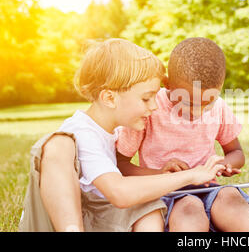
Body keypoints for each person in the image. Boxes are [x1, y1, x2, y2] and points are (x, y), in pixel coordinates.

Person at [18, 38, 226, 232]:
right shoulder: (81, 132)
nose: (154, 106)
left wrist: (162, 174)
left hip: (95, 216)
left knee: (149, 207)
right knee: (59, 144)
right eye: (146, 99)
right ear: (109, 97)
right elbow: (120, 193)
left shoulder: (113, 132)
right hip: (54, 224)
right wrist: (190, 175)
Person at [116, 37, 249, 232]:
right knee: (190, 207)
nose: (197, 112)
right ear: (167, 84)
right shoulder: (149, 109)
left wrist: (223, 165)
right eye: (187, 103)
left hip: (207, 189)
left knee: (230, 196)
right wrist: (161, 173)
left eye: (208, 103)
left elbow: (237, 153)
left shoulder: (219, 108)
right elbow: (121, 164)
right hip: (168, 193)